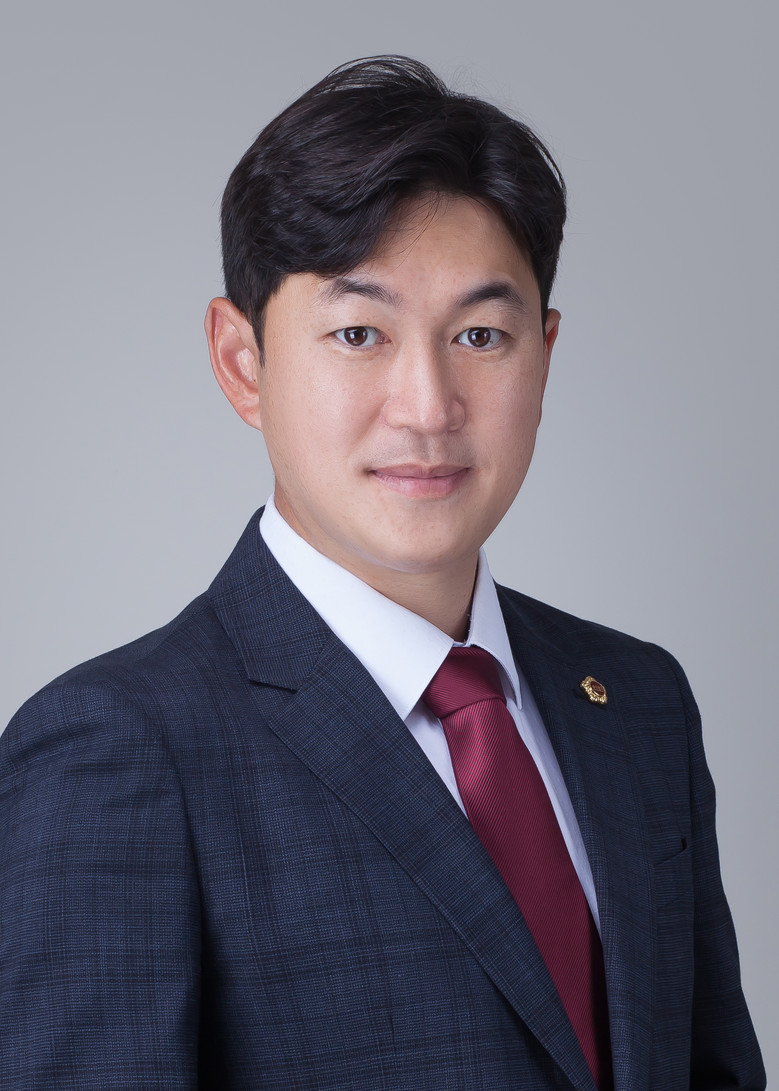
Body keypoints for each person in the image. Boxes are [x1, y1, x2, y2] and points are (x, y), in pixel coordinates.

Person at [0, 55, 765, 1091]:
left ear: (543, 356)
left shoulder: (636, 703)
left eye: (480, 335)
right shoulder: (116, 749)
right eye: (358, 333)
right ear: (241, 362)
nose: (428, 406)